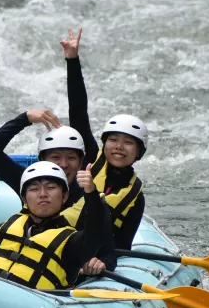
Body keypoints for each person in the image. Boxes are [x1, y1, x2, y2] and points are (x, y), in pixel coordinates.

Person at [0, 161, 109, 290]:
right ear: (24, 198)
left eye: (51, 188)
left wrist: (91, 193)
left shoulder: (72, 243)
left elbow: (96, 234)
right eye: (34, 189)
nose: (42, 194)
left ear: (64, 196)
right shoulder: (7, 226)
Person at [60, 27, 146, 252]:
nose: (119, 147)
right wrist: (72, 60)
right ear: (104, 143)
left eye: (128, 143)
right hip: (58, 240)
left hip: (93, 258)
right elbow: (78, 110)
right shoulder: (90, 159)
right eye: (113, 140)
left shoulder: (135, 197)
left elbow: (123, 245)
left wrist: (101, 261)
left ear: (138, 152)